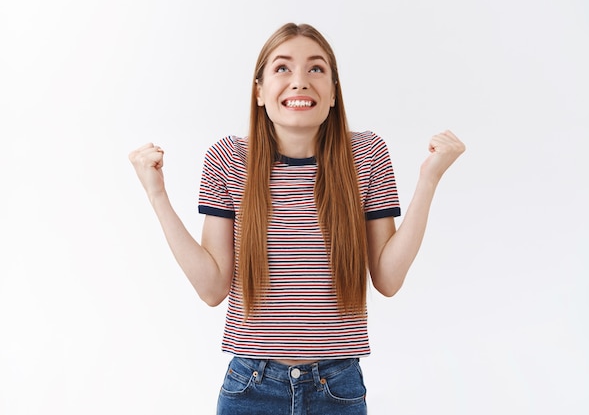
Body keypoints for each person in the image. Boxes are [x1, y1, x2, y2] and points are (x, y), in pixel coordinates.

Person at [129, 22, 465, 415]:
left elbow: (388, 279)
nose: (300, 81)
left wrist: (429, 179)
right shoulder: (229, 159)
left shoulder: (367, 155)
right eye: (283, 68)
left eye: (316, 69)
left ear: (335, 92)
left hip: (337, 388)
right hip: (250, 388)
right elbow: (211, 288)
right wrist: (157, 194)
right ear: (259, 91)